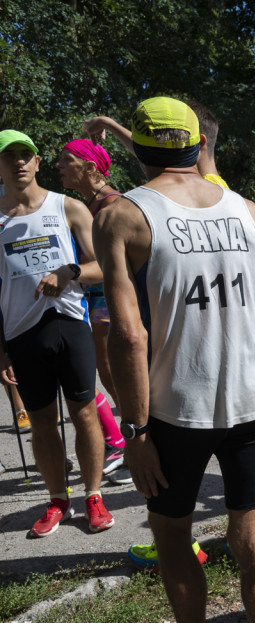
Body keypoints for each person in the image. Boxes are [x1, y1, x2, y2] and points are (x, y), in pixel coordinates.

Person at [95, 97, 255, 623]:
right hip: (251, 403)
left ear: (141, 147)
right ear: (199, 144)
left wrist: (137, 431)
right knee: (253, 540)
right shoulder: (248, 211)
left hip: (173, 410)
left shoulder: (123, 216)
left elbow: (127, 336)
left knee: (173, 537)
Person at [0, 129, 113, 538]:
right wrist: (1, 353)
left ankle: (94, 496)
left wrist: (70, 273)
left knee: (84, 413)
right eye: (9, 156)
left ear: (37, 162)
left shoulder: (67, 208)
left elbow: (107, 265)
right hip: (21, 332)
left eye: (25, 154)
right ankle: (57, 500)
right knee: (43, 422)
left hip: (69, 324)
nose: (18, 162)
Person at [55, 138, 129, 475]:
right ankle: (131, 440)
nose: (59, 166)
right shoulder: (88, 204)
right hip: (98, 299)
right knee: (108, 372)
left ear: (90, 167)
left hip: (114, 299)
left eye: (66, 160)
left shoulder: (112, 204)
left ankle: (135, 441)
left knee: (117, 373)